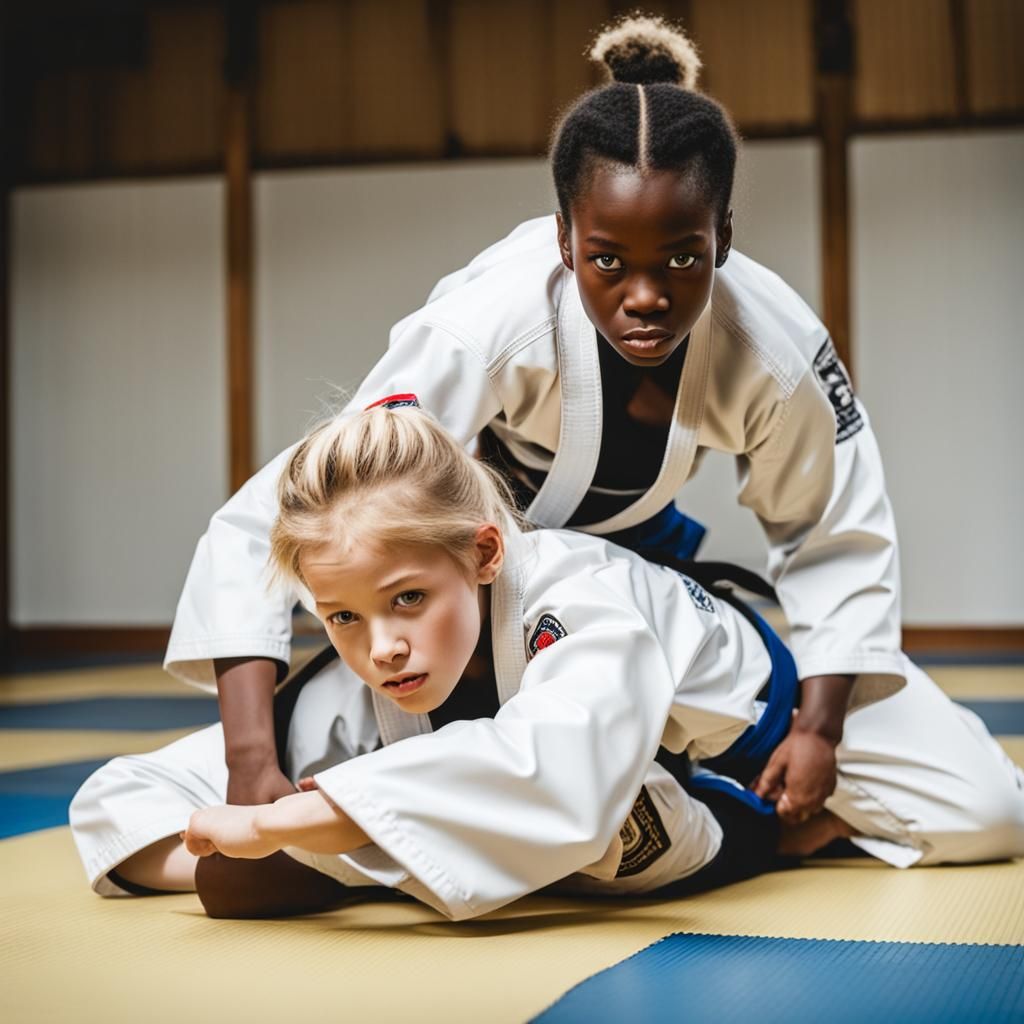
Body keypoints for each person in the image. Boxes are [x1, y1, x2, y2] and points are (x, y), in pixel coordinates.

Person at [169, 16, 898, 828]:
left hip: (639, 588)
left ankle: (706, 807)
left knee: (976, 807)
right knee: (168, 807)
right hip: (481, 602)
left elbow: (833, 529)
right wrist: (250, 760)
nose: (647, 296)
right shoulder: (486, 324)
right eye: (608, 259)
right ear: (564, 240)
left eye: (682, 258)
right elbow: (299, 510)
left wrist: (819, 728)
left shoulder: (776, 348)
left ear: (723, 236)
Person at [70, 408, 1024, 921]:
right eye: (343, 618)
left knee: (990, 816)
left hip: (744, 725)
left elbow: (564, 771)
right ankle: (416, 844)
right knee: (548, 825)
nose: (383, 647)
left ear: (483, 557)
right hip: (604, 784)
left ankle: (782, 838)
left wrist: (304, 821)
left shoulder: (578, 600)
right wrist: (257, 849)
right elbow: (118, 802)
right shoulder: (358, 688)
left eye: (409, 600)